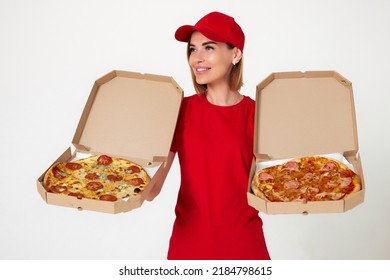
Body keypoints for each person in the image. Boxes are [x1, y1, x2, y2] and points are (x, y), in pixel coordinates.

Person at [166, 11, 270, 260]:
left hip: (245, 248)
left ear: (235, 54)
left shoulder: (259, 114)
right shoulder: (177, 110)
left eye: (208, 47)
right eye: (192, 49)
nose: (197, 58)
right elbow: (150, 189)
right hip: (188, 248)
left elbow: (275, 189)